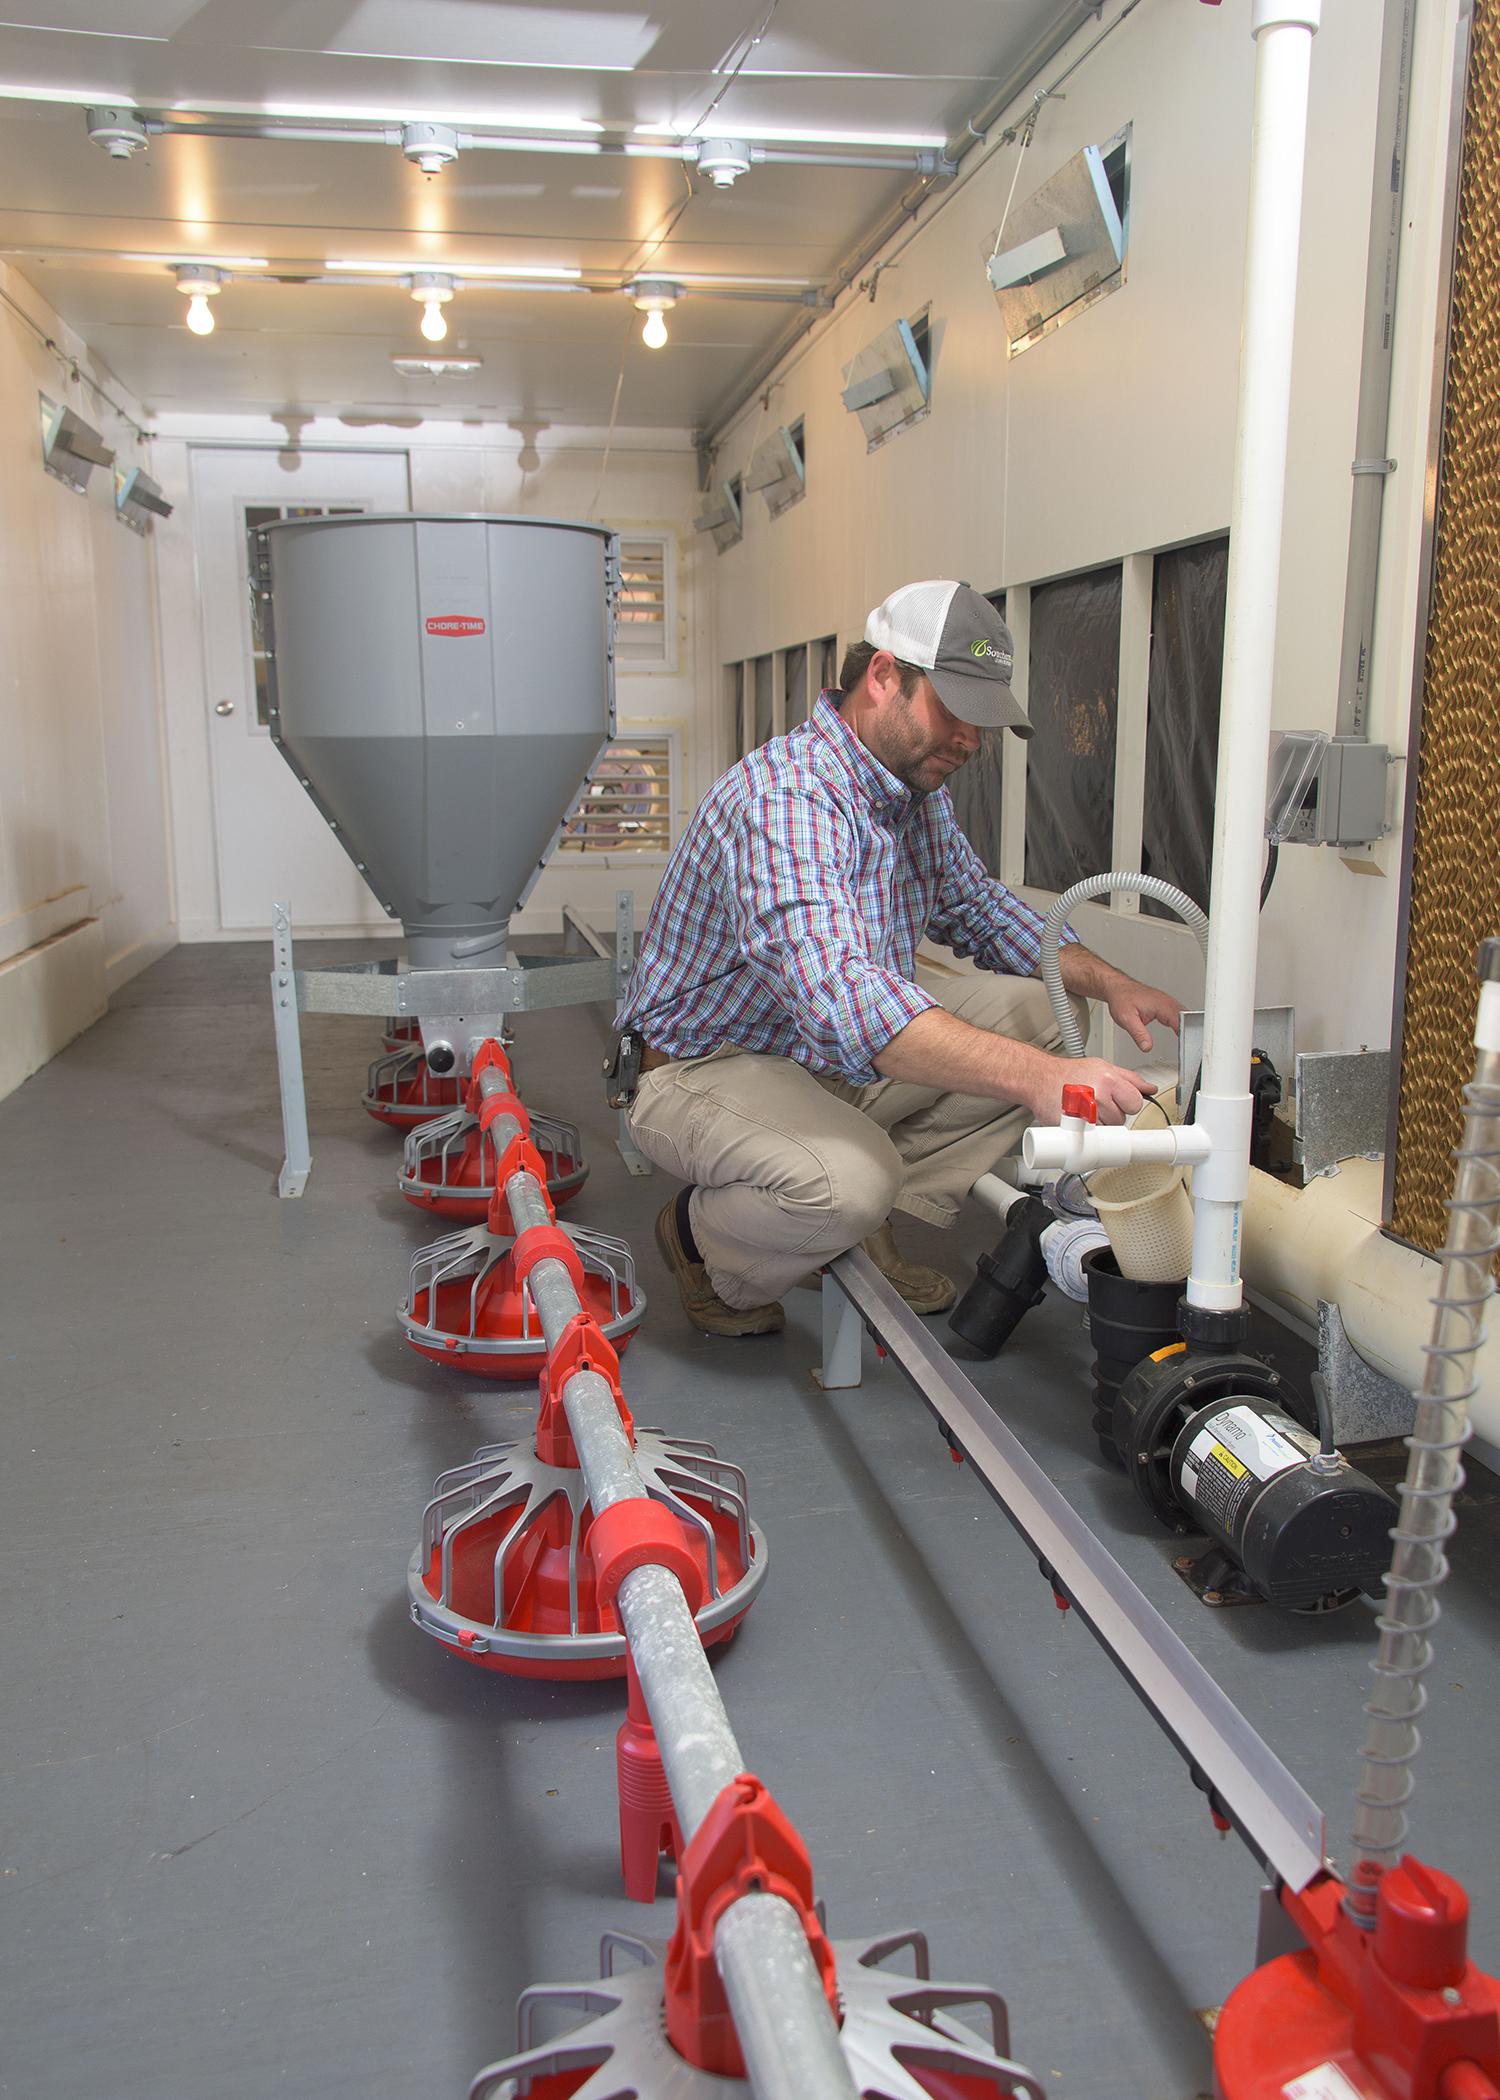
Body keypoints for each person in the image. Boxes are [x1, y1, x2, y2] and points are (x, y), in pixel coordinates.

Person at [614, 579, 1181, 1338]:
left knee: (1046, 1011)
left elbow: (979, 908)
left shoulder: (913, 796)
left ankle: (863, 1221)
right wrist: (1042, 1079)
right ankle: (702, 1241)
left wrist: (1114, 984)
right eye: (955, 712)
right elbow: (841, 998)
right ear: (884, 677)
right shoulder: (787, 796)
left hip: (822, 1061)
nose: (971, 742)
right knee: (845, 1183)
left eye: (982, 721)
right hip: (704, 1067)